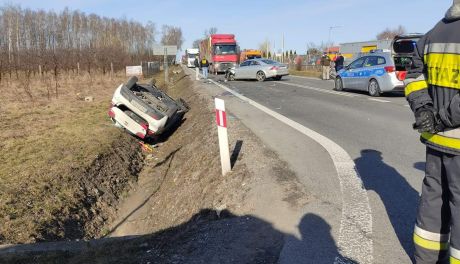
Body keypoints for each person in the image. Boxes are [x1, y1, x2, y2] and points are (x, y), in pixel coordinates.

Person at [405, 1, 460, 263]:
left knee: (433, 202)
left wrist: (425, 112)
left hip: (435, 141)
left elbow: (413, 77)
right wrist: (441, 119)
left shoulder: (432, 34)